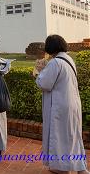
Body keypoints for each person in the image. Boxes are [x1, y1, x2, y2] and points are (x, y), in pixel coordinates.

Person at [35, 35, 88, 174]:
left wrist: (39, 72)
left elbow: (44, 84)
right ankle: (80, 167)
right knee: (73, 135)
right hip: (72, 103)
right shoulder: (68, 59)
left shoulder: (55, 62)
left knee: (59, 136)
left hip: (60, 106)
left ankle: (61, 168)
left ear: (50, 47)